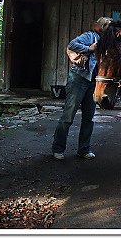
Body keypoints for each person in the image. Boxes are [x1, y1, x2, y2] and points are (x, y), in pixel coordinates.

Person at [52, 20, 101, 160]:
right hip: (79, 78)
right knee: (68, 116)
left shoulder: (109, 42)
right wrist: (89, 49)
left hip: (94, 82)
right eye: (107, 26)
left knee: (89, 118)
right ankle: (58, 148)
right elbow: (72, 45)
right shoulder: (90, 36)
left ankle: (84, 149)